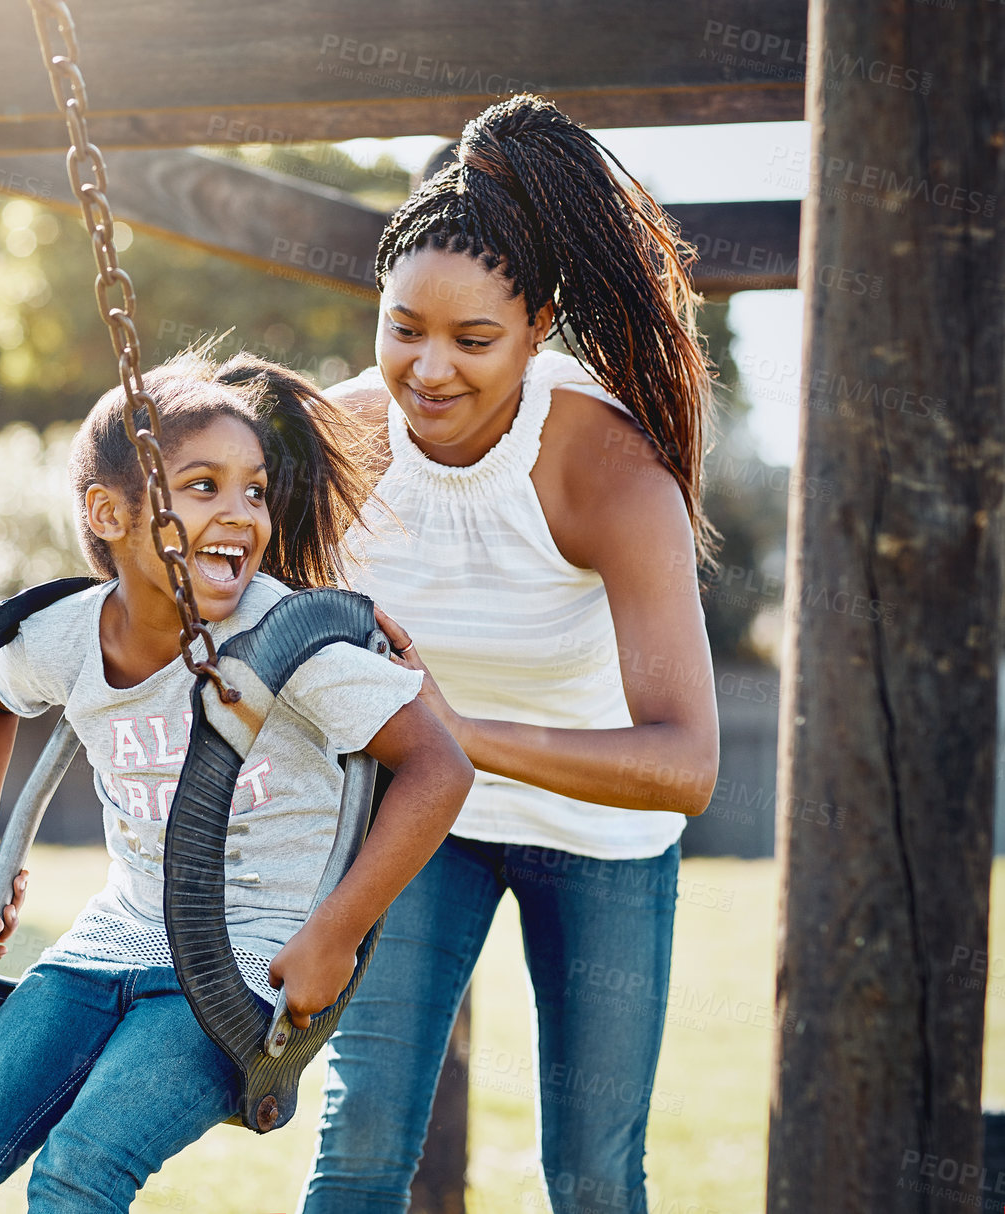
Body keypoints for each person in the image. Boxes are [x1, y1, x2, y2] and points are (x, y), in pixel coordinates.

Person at [0, 349, 473, 1214]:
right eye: (202, 487)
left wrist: (334, 936)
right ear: (109, 513)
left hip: (245, 963)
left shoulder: (285, 640)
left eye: (253, 490)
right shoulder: (70, 634)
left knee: (79, 1170)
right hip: (109, 943)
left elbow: (440, 767)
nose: (239, 514)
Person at [299, 93, 722, 1214]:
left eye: (474, 339)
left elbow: (686, 767)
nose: (429, 371)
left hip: (601, 832)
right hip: (425, 819)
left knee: (589, 1173)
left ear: (538, 328)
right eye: (403, 328)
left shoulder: (611, 472)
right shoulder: (337, 440)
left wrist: (458, 734)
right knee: (360, 1143)